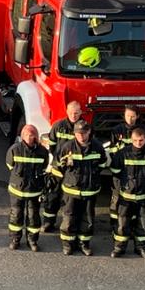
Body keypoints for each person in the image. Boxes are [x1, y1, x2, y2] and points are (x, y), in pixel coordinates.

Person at [50, 121, 109, 256]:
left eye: (83, 133)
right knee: (69, 218)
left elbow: (102, 164)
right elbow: (57, 166)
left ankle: (84, 243)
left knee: (87, 218)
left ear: (89, 132)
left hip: (90, 190)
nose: (81, 136)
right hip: (71, 190)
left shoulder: (97, 147)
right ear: (74, 134)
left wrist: (92, 178)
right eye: (78, 133)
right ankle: (68, 244)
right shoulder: (67, 147)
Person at [109, 127, 145, 259]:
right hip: (126, 198)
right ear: (131, 139)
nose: (138, 143)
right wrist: (118, 192)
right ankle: (119, 248)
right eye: (135, 140)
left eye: (141, 140)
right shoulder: (122, 153)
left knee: (143, 224)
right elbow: (115, 174)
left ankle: (141, 248)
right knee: (122, 224)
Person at [42, 100, 86, 237]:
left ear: (81, 112)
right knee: (53, 197)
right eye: (72, 112)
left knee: (72, 200)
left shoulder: (85, 127)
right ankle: (48, 222)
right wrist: (59, 160)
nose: (74, 115)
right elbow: (52, 146)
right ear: (67, 112)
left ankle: (73, 224)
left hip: (75, 171)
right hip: (58, 169)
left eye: (77, 112)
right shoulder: (58, 126)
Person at [4, 125, 51, 251]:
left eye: (33, 135)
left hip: (34, 191)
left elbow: (44, 166)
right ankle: (15, 239)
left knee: (33, 217)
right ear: (23, 136)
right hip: (17, 190)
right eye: (28, 135)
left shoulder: (42, 151)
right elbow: (10, 165)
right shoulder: (15, 149)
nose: (31, 138)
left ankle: (32, 240)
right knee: (16, 215)